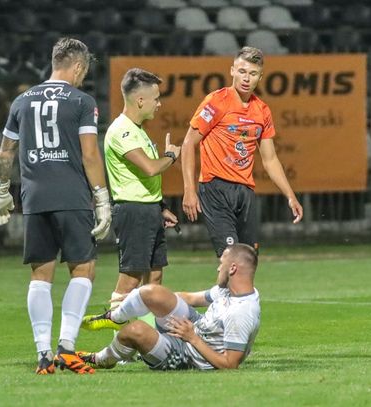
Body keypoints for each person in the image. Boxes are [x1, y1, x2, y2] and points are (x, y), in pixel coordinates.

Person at [0, 38, 111, 375]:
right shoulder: (82, 101)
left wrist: (1, 191)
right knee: (83, 269)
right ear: (78, 66)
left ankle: (43, 354)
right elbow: (90, 154)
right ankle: (66, 348)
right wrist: (102, 198)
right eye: (84, 72)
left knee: (40, 275)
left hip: (35, 197)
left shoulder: (22, 100)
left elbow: (5, 152)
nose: (83, 78)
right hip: (71, 196)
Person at [181, 46, 303, 258]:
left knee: (248, 258)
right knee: (231, 258)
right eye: (242, 71)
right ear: (232, 71)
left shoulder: (262, 110)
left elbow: (270, 159)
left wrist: (290, 196)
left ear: (260, 77)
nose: (246, 78)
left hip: (245, 192)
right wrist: (189, 190)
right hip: (215, 188)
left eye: (253, 73)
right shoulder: (216, 102)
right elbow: (188, 143)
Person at [79, 243, 260, 370]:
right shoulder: (229, 289)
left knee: (136, 330)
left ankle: (100, 359)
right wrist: (140, 297)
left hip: (189, 356)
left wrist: (192, 338)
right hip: (195, 328)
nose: (218, 269)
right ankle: (115, 318)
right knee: (152, 291)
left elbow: (230, 364)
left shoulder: (241, 312)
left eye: (221, 264)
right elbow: (190, 298)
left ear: (232, 268)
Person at [100, 68, 180, 308]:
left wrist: (160, 207)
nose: (159, 104)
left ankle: (150, 330)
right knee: (131, 279)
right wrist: (171, 156)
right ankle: (116, 328)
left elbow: (142, 178)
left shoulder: (138, 131)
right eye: (156, 99)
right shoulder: (122, 130)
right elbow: (150, 168)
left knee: (154, 278)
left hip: (149, 209)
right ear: (140, 100)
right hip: (134, 211)